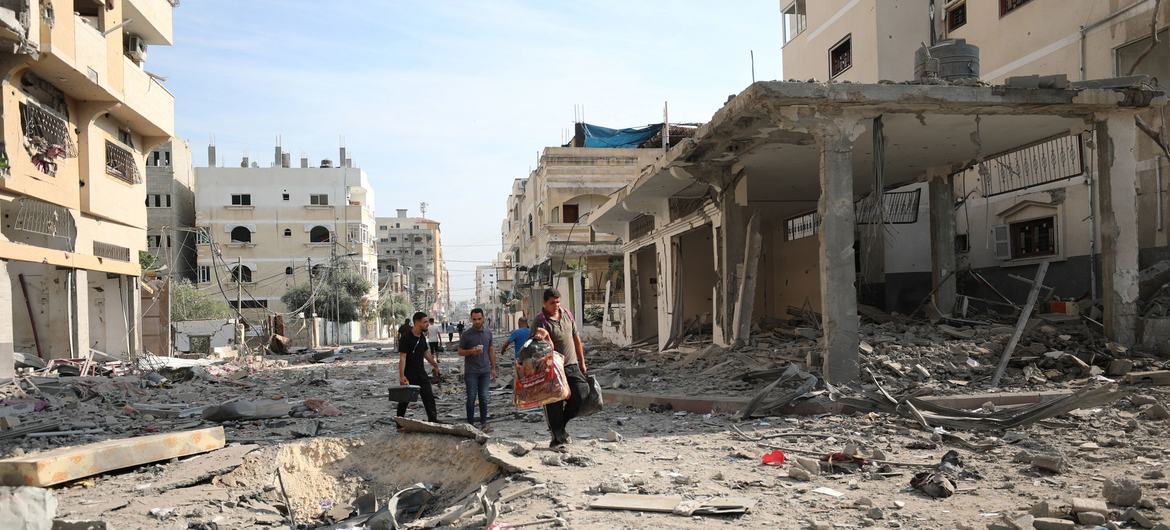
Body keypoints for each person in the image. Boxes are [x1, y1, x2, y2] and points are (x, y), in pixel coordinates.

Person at [531, 288, 589, 451]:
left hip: (571, 365)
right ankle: (557, 437)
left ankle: (560, 426)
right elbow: (534, 347)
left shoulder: (567, 314)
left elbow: (576, 339)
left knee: (580, 395)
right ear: (544, 303)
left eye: (558, 301)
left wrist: (582, 362)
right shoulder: (540, 321)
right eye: (552, 302)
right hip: (551, 370)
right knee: (554, 403)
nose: (556, 305)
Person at [396, 312, 440, 424]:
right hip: (409, 374)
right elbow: (403, 358)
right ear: (417, 322)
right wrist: (402, 376)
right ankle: (400, 424)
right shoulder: (406, 337)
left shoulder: (422, 337)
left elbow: (426, 353)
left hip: (421, 373)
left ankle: (433, 421)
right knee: (404, 400)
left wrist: (435, 365)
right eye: (425, 322)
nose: (427, 324)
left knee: (429, 398)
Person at [457, 308, 496, 432]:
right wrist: (472, 351)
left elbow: (490, 350)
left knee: (484, 397)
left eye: (479, 319)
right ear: (471, 319)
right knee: (471, 397)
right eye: (474, 319)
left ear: (483, 318)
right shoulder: (466, 334)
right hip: (471, 372)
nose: (477, 321)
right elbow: (460, 351)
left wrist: (493, 368)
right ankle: (470, 424)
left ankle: (484, 423)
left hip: (485, 371)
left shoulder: (488, 333)